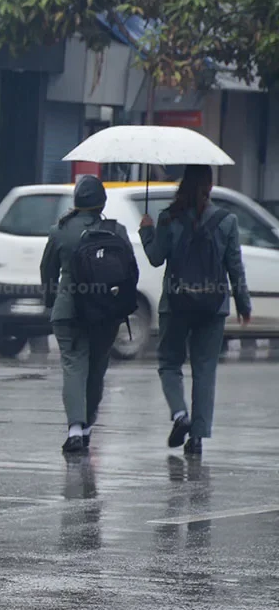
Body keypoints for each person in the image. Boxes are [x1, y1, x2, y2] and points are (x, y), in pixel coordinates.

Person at [140, 165, 250, 456]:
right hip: (213, 306)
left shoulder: (168, 217)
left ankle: (180, 415)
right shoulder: (227, 221)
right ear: (210, 186)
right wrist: (243, 303)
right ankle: (197, 438)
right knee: (204, 370)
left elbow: (154, 258)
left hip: (176, 304)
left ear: (183, 184)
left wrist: (146, 230)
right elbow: (234, 266)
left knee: (169, 363)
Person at [41, 176, 133, 455]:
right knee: (96, 369)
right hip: (106, 313)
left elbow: (48, 271)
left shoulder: (60, 231)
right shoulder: (117, 231)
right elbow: (131, 271)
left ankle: (75, 430)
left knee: (73, 367)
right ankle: (88, 426)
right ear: (102, 202)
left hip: (69, 311)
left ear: (76, 202)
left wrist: (52, 300)